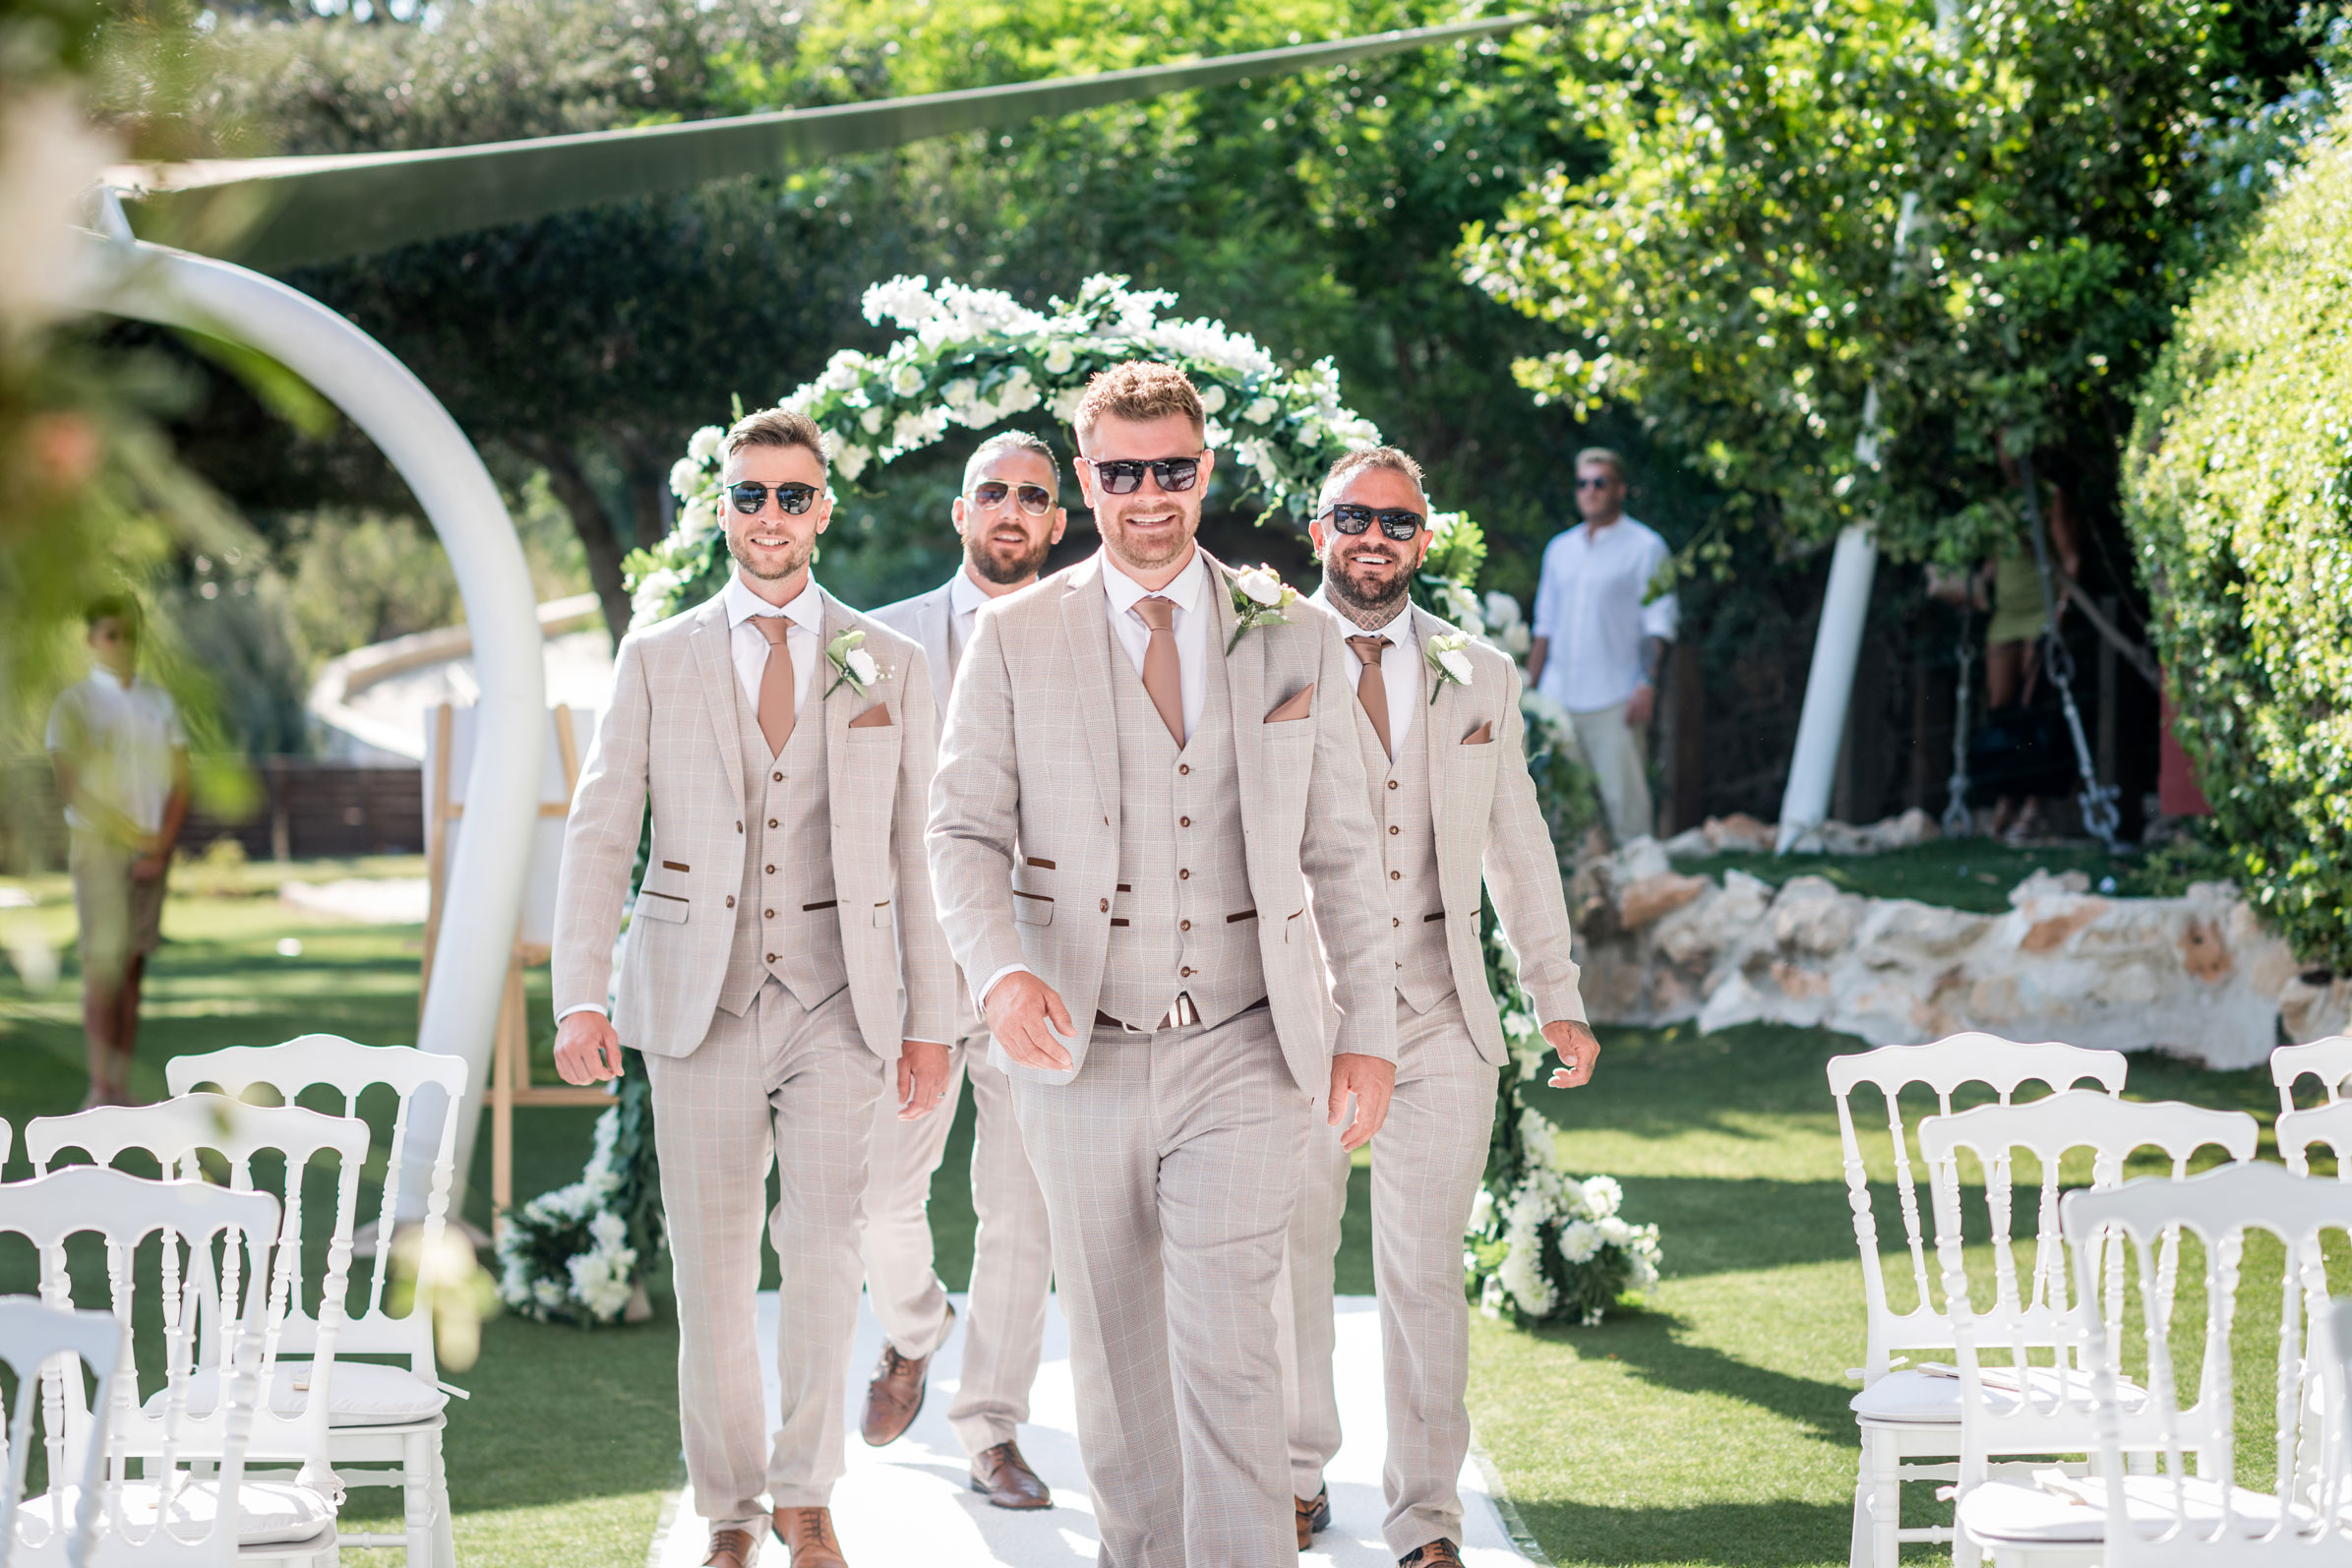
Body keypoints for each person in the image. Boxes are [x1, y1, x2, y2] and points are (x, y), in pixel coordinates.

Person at [927, 360, 1399, 1567]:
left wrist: (1369, 1032)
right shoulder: (1015, 636)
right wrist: (998, 971)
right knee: (1118, 1355)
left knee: (1230, 1343)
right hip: (1077, 1049)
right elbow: (962, 830)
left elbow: (1345, 851)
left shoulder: (1291, 629)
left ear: (1205, 471)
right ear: (1086, 483)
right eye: (1123, 472)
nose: (1150, 494)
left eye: (1172, 469)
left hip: (1247, 1038)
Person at [548, 406, 956, 1568]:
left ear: (823, 508)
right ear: (720, 507)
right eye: (749, 494)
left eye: (792, 494)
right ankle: (728, 1509)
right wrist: (580, 993)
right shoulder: (656, 656)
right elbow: (599, 833)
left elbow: (918, 853)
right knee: (715, 1271)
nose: (770, 514)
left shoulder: (889, 661)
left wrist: (932, 1021)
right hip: (697, 1001)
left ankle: (806, 1494)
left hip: (841, 1001)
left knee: (824, 1252)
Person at [1282, 449, 1598, 1568]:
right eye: (1353, 518)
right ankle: (1294, 1473)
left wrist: (1555, 994)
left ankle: (1426, 1518)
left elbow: (1518, 843)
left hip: (1442, 1005)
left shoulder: (1481, 672)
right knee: (1293, 1252)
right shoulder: (1260, 650)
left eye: (1397, 522)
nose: (1374, 538)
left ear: (1424, 539)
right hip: (1303, 1007)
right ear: (1319, 530)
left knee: (1424, 1273)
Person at [856, 430, 1066, 1509]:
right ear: (961, 512)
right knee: (879, 1199)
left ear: (1058, 522)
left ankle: (992, 1430)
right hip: (919, 963)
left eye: (1032, 495)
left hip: (1045, 963)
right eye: (994, 492)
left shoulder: (1090, 633)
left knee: (1022, 1213)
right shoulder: (879, 641)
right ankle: (913, 1327)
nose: (1011, 509)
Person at [46, 593, 190, 1111]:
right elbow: (71, 787)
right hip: (100, 851)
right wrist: (132, 838)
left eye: (130, 634)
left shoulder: (161, 702)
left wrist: (160, 845)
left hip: (153, 852)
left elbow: (182, 780)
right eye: (112, 634)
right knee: (102, 968)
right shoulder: (74, 705)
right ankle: (98, 1088)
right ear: (92, 639)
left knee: (131, 969)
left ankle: (119, 1086)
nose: (122, 644)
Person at [1527, 448, 1678, 843]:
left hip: (1615, 697)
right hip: (1558, 699)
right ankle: (1575, 882)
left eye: (1600, 482)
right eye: (1583, 483)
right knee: (1559, 811)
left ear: (1620, 489)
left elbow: (1659, 625)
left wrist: (1647, 683)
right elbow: (1544, 627)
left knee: (1627, 810)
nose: (1590, 491)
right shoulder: (1559, 549)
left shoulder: (1647, 548)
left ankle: (1643, 876)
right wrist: (1528, 692)